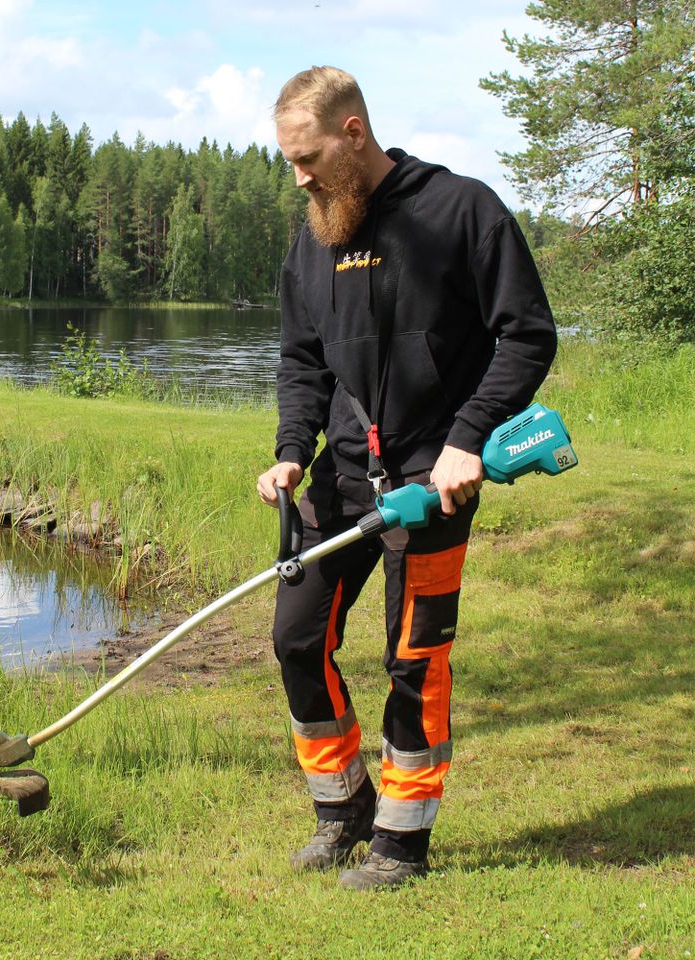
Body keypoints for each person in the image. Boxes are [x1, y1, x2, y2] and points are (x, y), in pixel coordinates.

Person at [257, 66, 557, 891]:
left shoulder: (462, 211)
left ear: (354, 132)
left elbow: (527, 335)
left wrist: (469, 439)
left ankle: (402, 837)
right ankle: (342, 801)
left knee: (413, 655)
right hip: (344, 473)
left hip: (435, 474)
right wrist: (292, 446)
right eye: (289, 161)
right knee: (294, 636)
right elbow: (301, 360)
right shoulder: (315, 238)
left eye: (309, 156)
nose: (300, 176)